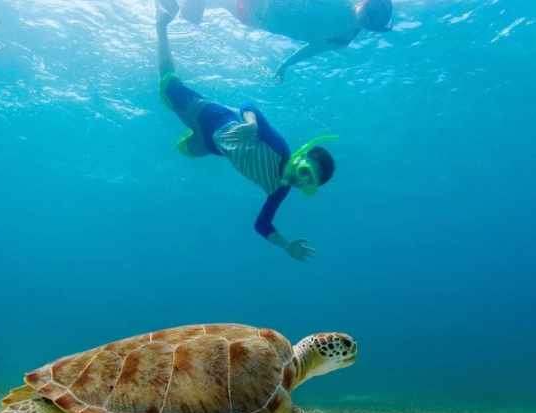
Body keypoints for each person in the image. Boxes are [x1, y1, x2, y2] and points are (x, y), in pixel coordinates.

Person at [155, 2, 337, 261]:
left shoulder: (279, 191)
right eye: (306, 173)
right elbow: (247, 106)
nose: (301, 181)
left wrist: (286, 246)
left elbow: (262, 224)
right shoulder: (279, 147)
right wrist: (251, 125)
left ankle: (187, 127)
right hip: (215, 118)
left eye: (309, 184)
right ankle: (162, 23)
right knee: (167, 88)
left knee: (182, 150)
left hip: (213, 146)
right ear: (300, 158)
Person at [168, 0, 393, 83]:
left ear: (374, 28)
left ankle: (180, 11)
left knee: (218, 4)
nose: (368, 16)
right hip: (263, 7)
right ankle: (181, 10)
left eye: (374, 19)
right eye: (372, 9)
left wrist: (285, 64)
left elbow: (311, 51)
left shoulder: (343, 39)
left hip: (258, 18)